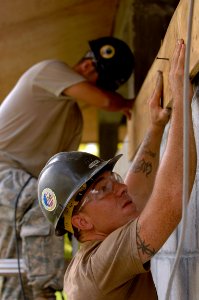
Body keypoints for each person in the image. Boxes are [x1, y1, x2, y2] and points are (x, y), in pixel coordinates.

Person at [38, 39, 197, 299]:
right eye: (103, 189)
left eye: (113, 179)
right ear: (81, 221)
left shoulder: (96, 245)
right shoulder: (98, 268)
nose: (120, 188)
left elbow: (135, 186)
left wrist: (156, 128)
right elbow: (171, 198)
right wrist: (181, 100)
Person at [0, 36, 135, 300]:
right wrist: (130, 105)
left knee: (14, 261)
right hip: (3, 170)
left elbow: (62, 183)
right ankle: (45, 293)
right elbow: (108, 103)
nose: (86, 69)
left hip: (19, 187)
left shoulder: (74, 121)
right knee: (43, 205)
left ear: (105, 84)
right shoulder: (49, 69)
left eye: (96, 71)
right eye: (88, 61)